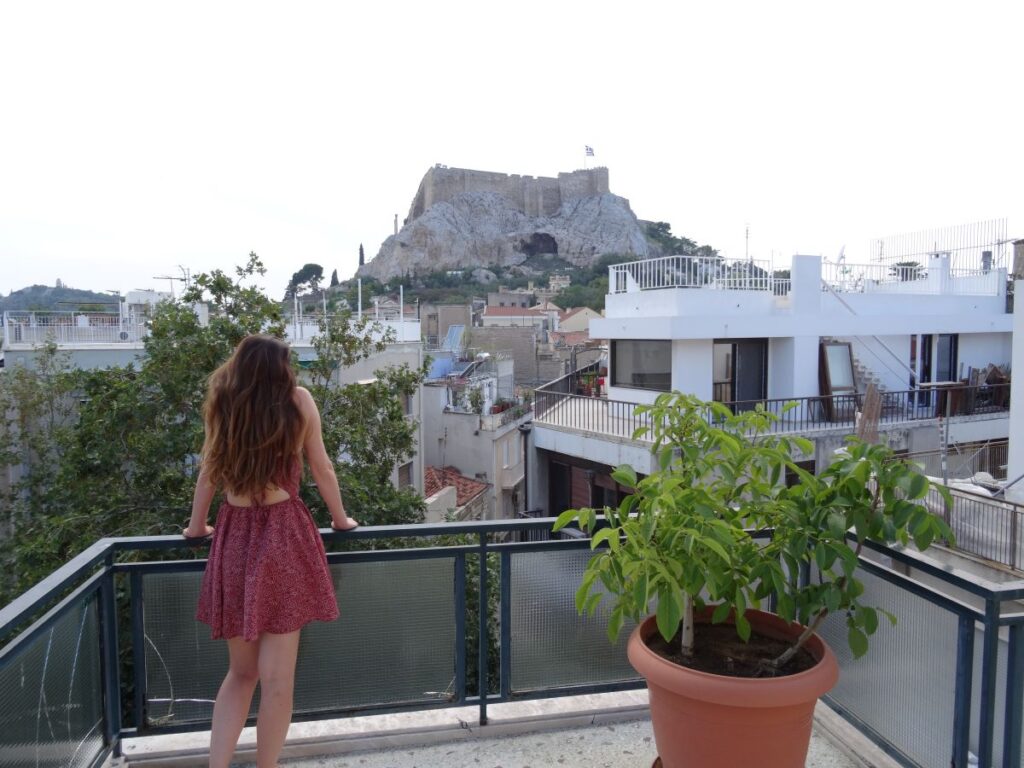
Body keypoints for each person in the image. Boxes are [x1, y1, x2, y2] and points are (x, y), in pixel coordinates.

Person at [183, 334, 358, 768]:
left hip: (234, 537)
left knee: (240, 674)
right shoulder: (298, 401)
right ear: (279, 367)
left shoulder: (224, 400)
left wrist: (195, 526)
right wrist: (340, 520)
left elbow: (208, 470)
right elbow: (321, 467)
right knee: (278, 681)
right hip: (282, 535)